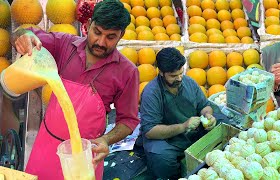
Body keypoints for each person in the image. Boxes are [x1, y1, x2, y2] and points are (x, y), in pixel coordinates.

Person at [6, 0, 140, 179]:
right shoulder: (64, 44)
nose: (100, 42)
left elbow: (128, 121)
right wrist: (23, 36)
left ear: (121, 35)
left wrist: (106, 140)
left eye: (110, 37)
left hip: (84, 155)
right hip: (48, 144)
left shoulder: (127, 72)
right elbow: (20, 33)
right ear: (88, 25)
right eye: (97, 32)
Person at [139, 47, 216, 179]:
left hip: (192, 132)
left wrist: (208, 115)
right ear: (161, 73)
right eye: (173, 76)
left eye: (181, 73)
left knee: (220, 119)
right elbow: (150, 130)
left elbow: (204, 106)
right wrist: (183, 126)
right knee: (161, 157)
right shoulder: (151, 93)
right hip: (166, 139)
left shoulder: (189, 82)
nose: (179, 79)